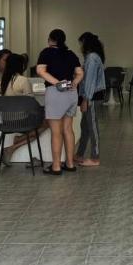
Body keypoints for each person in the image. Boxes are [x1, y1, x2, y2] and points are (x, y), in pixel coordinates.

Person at [35, 29, 83, 175]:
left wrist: (57, 83)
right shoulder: (71, 54)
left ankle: (56, 166)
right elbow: (80, 73)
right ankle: (69, 164)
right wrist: (73, 83)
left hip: (56, 93)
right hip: (72, 93)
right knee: (68, 129)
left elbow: (40, 71)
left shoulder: (46, 52)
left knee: (56, 132)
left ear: (50, 40)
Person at [75, 32, 106, 167]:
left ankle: (95, 157)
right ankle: (79, 154)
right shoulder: (91, 57)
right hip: (91, 95)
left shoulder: (92, 58)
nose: (80, 46)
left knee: (92, 126)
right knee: (85, 126)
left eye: (81, 43)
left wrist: (85, 99)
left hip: (92, 96)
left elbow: (90, 81)